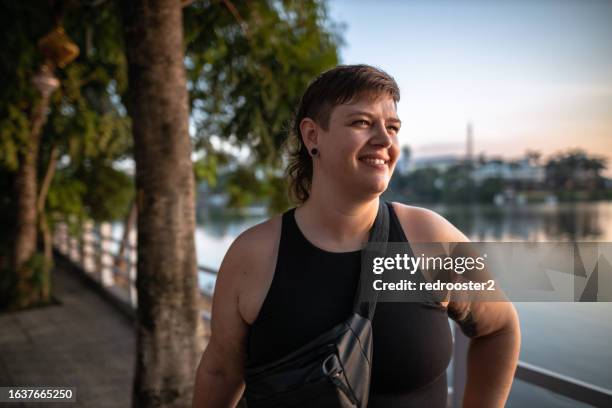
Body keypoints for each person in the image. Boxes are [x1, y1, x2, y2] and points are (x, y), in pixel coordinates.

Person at [192, 64, 521, 408]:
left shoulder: (429, 237)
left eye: (392, 127)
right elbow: (220, 372)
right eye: (362, 122)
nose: (384, 140)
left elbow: (500, 329)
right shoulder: (253, 255)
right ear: (312, 136)